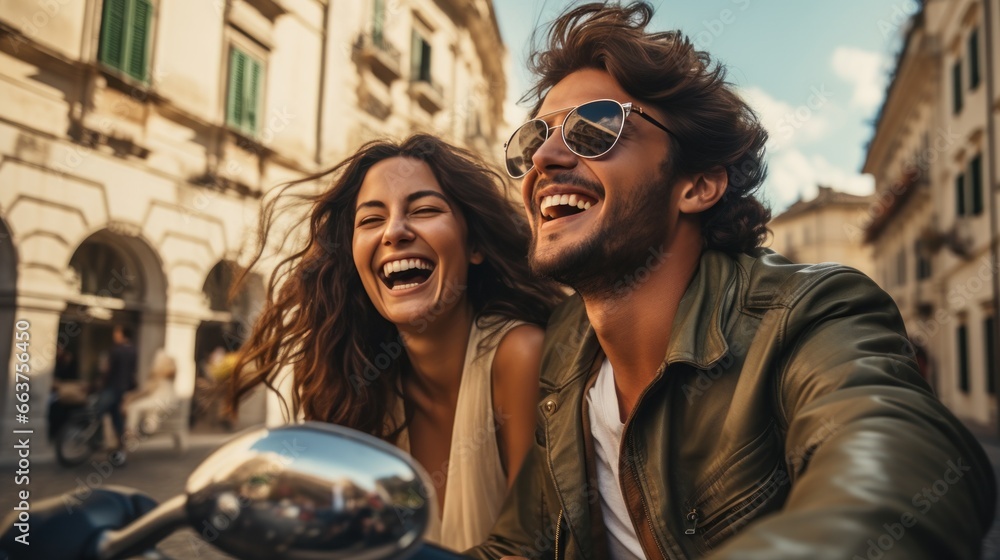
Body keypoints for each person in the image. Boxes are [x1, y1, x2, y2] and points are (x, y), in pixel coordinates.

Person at [467, 3, 996, 559]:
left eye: (595, 128)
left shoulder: (809, 312)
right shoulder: (564, 347)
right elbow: (518, 547)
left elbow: (899, 471)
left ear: (697, 186)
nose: (544, 158)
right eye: (534, 140)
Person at [227, 134, 564, 551]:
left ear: (474, 244)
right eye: (370, 220)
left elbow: (531, 548)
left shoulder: (519, 355)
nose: (394, 232)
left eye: (423, 210)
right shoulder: (356, 380)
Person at [98, 325, 137, 463]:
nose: (115, 335)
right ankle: (119, 452)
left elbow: (108, 372)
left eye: (117, 333)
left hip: (112, 388)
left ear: (122, 334)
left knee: (97, 412)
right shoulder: (133, 351)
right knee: (117, 421)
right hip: (123, 390)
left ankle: (98, 441)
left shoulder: (116, 351)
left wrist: (100, 384)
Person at [122, 349, 177, 438]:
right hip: (165, 402)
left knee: (134, 407)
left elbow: (146, 391)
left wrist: (131, 397)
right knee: (149, 411)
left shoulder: (161, 375)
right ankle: (148, 427)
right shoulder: (167, 375)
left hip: (160, 402)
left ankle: (131, 432)